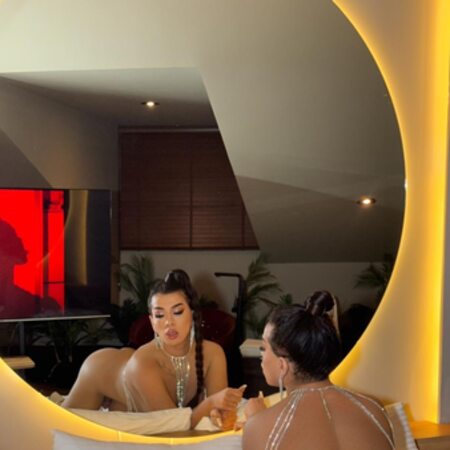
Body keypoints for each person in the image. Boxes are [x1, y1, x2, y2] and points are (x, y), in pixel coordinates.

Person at [62, 269, 245, 429]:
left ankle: (122, 405)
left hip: (138, 390)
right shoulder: (142, 364)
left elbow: (217, 412)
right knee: (59, 426)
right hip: (102, 369)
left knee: (125, 415)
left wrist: (222, 414)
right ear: (151, 321)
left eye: (177, 312)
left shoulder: (213, 354)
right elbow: (172, 427)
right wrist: (210, 404)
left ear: (193, 313)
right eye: (159, 315)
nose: (168, 322)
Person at [242, 290, 394, 450]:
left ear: (282, 365)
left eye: (264, 348)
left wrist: (257, 419)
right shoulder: (374, 409)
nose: (261, 356)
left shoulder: (260, 427)